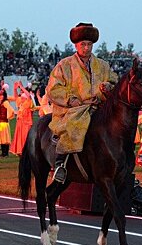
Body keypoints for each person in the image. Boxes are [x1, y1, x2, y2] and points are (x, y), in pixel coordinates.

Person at [47, 23, 118, 183]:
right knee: (73, 126)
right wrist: (71, 100)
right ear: (76, 45)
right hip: (74, 110)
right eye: (83, 44)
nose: (86, 48)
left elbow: (114, 81)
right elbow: (53, 89)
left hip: (99, 107)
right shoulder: (64, 65)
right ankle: (60, 164)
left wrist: (107, 87)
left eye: (89, 44)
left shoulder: (103, 65)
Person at [10, 81, 34, 156]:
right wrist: (14, 89)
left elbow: (29, 96)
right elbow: (16, 97)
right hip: (20, 123)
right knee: (20, 138)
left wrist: (21, 87)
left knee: (25, 138)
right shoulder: (21, 103)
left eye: (23, 98)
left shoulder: (28, 103)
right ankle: (21, 151)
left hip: (26, 123)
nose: (22, 98)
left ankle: (27, 151)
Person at [0, 86, 15, 157]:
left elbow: (11, 109)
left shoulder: (5, 102)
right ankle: (3, 151)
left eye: (1, 95)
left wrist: (8, 117)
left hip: (3, 122)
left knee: (4, 137)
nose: (0, 97)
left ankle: (5, 152)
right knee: (1, 137)